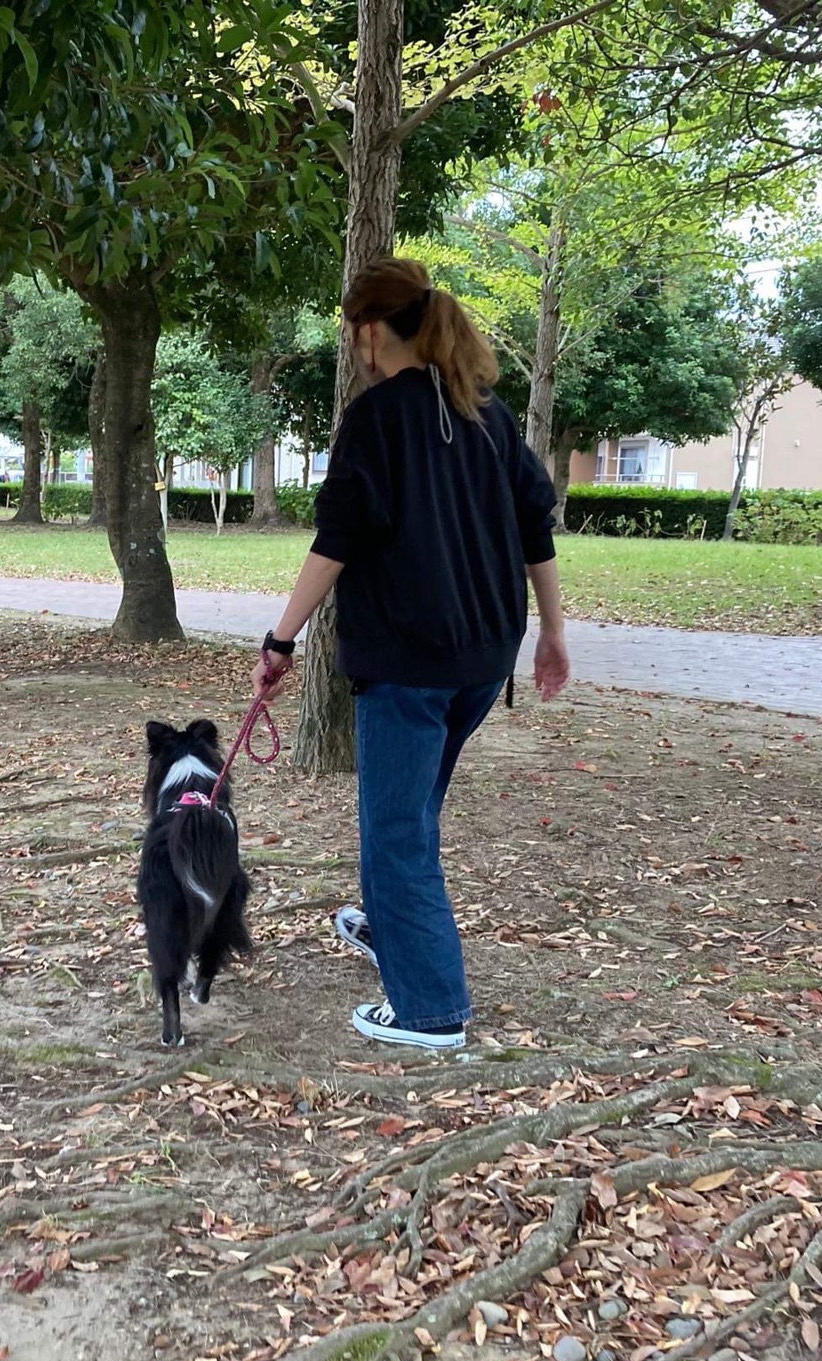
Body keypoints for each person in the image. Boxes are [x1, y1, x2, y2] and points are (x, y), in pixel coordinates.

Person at [255, 257, 571, 1052]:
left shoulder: (375, 419)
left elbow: (337, 541)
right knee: (409, 809)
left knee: (397, 832)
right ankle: (392, 929)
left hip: (409, 662)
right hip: (482, 657)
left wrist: (280, 639)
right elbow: (539, 529)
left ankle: (432, 1010)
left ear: (367, 331)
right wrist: (553, 633)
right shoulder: (487, 415)